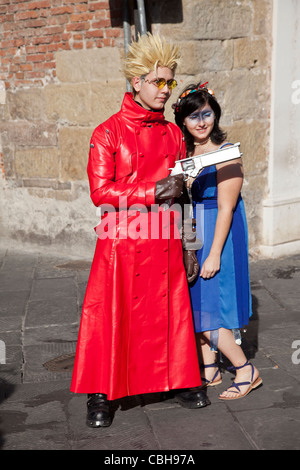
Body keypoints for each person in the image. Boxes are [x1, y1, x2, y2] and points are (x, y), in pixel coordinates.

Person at [71, 35, 209, 428]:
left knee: (169, 313)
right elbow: (100, 192)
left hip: (165, 239)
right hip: (121, 241)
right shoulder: (107, 132)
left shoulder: (172, 134)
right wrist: (152, 190)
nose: (165, 91)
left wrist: (190, 244)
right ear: (136, 81)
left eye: (169, 82)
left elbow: (182, 195)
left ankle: (179, 379)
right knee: (111, 316)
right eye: (157, 82)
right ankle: (100, 392)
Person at [174, 82, 263, 400]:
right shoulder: (185, 155)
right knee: (197, 301)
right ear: (183, 121)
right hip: (195, 230)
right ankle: (210, 369)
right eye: (193, 116)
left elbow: (226, 206)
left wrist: (213, 254)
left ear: (215, 115)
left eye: (206, 113)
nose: (201, 121)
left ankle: (244, 369)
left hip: (219, 234)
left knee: (212, 305)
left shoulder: (227, 154)